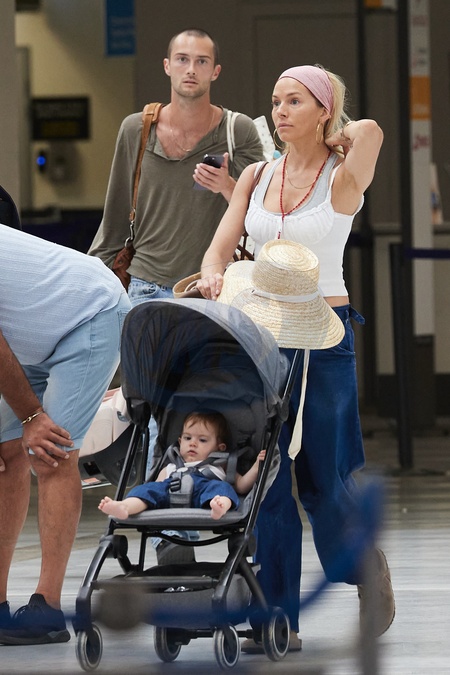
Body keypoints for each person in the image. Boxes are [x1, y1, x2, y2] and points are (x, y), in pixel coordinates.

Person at [196, 65, 395, 650]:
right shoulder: (257, 174)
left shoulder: (342, 177)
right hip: (260, 336)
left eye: (295, 102)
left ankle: (363, 566)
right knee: (267, 478)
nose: (280, 111)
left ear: (324, 112)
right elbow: (219, 249)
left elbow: (373, 131)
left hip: (324, 337)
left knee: (324, 481)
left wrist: (337, 135)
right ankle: (275, 617)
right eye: (276, 101)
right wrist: (212, 276)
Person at [0, 222, 131, 646]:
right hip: (33, 331)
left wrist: (32, 417)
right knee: (4, 453)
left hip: (90, 313)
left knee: (50, 451)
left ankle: (48, 608)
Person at [88, 27, 264, 302]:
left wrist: (226, 185)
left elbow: (260, 214)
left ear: (215, 71)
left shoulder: (237, 131)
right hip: (144, 287)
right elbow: (116, 215)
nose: (191, 69)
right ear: (167, 66)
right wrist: (92, 279)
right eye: (182, 59)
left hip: (209, 288)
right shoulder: (136, 129)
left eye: (202, 61)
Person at [98, 411, 265, 521]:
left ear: (219, 448)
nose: (193, 443)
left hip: (204, 492)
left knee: (224, 488)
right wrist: (152, 491)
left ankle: (219, 506)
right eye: (187, 438)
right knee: (146, 490)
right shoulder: (171, 465)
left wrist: (257, 466)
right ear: (179, 441)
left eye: (202, 440)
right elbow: (157, 486)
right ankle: (125, 507)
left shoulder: (221, 465)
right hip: (171, 491)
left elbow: (241, 486)